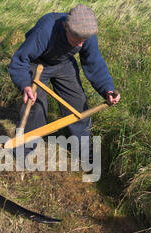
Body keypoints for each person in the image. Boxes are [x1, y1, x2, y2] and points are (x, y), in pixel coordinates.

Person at [9, 4, 120, 161]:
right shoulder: (46, 29)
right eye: (76, 40)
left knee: (78, 105)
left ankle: (84, 153)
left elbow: (94, 62)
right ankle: (22, 153)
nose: (81, 45)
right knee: (36, 107)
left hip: (64, 64)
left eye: (83, 41)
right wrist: (25, 85)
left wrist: (107, 89)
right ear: (65, 27)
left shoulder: (86, 33)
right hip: (38, 63)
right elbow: (20, 60)